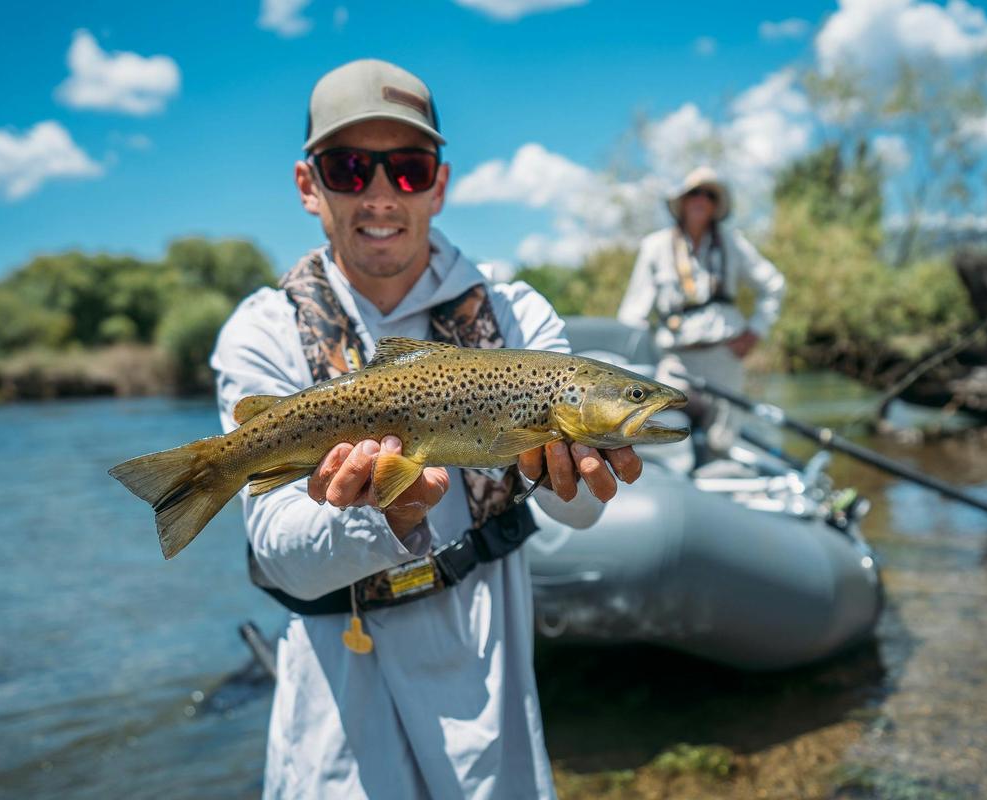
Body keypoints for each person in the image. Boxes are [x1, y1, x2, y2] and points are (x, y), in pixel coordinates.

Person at [211, 58, 642, 799]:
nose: (380, 194)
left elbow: (577, 505)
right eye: (350, 167)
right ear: (309, 185)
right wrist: (377, 520)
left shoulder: (516, 318)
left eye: (407, 168)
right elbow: (277, 553)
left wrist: (574, 481)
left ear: (439, 184)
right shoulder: (262, 330)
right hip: (338, 689)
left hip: (484, 662)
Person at [617, 167, 785, 453]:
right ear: (682, 201)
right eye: (694, 192)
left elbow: (774, 285)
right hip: (675, 358)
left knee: (721, 440)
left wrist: (756, 332)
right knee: (657, 420)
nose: (701, 199)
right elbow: (633, 315)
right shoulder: (655, 246)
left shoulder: (733, 242)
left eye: (709, 195)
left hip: (725, 356)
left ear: (715, 205)